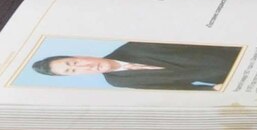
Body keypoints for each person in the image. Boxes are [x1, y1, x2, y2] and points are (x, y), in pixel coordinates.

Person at [32, 41, 241, 91]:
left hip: (235, 53)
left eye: (74, 62)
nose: (82, 67)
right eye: (72, 71)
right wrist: (211, 90)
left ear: (78, 55)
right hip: (224, 81)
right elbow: (174, 89)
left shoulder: (133, 45)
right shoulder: (117, 82)